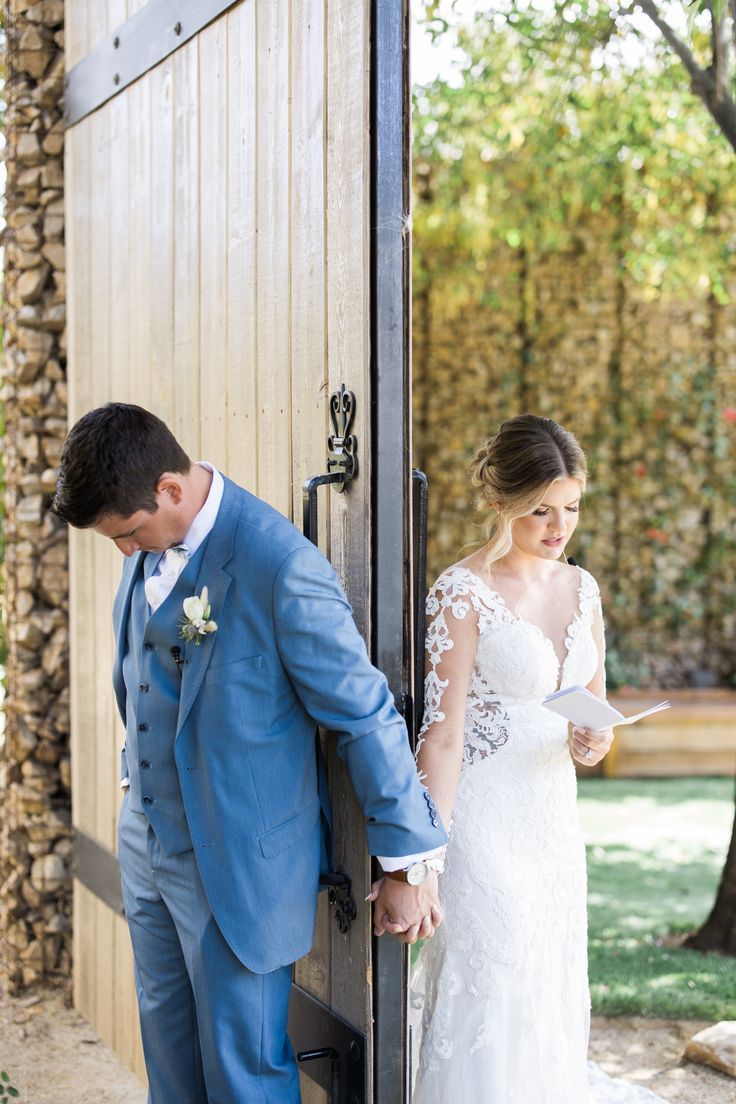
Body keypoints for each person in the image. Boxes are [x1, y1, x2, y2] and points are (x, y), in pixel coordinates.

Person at [52, 402, 447, 1104]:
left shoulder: (279, 565)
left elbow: (363, 713)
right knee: (169, 1057)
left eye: (128, 533)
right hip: (147, 842)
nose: (124, 552)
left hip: (234, 863)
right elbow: (148, 679)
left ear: (171, 490)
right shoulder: (147, 541)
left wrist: (408, 860)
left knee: (243, 1074)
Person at [411, 414, 667, 1104]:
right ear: (500, 503)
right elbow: (439, 735)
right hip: (483, 819)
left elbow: (592, 708)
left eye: (572, 508)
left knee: (546, 976)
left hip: (551, 818)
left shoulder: (582, 591)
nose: (560, 528)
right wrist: (421, 858)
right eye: (541, 511)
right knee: (492, 976)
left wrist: (596, 739)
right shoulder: (458, 594)